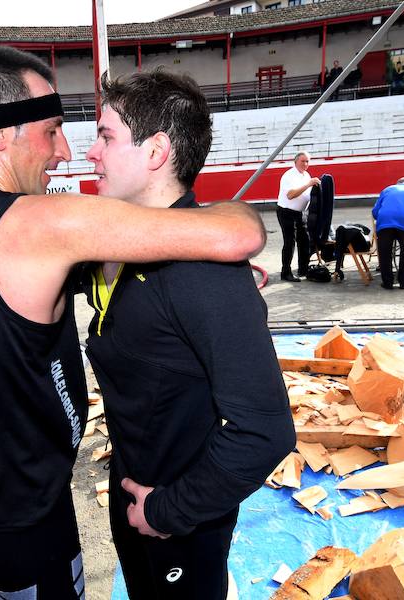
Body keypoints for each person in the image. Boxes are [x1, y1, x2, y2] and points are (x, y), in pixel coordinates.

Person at [0, 46, 266, 599]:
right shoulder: (40, 222)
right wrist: (242, 216)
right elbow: (238, 234)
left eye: (98, 136)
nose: (66, 151)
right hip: (27, 510)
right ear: (0, 134)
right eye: (52, 129)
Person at [82, 70, 295, 600]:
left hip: (179, 512)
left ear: (156, 151)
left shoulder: (205, 275)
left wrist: (169, 510)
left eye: (106, 136)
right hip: (133, 484)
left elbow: (265, 430)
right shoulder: (120, 247)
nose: (91, 153)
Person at [277, 151, 320, 282]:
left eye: (307, 161)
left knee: (305, 241)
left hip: (300, 213)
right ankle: (285, 272)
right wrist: (308, 184)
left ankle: (303, 269)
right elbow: (290, 195)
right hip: (286, 212)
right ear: (295, 162)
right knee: (290, 242)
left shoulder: (306, 175)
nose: (305, 164)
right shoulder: (289, 175)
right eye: (303, 161)